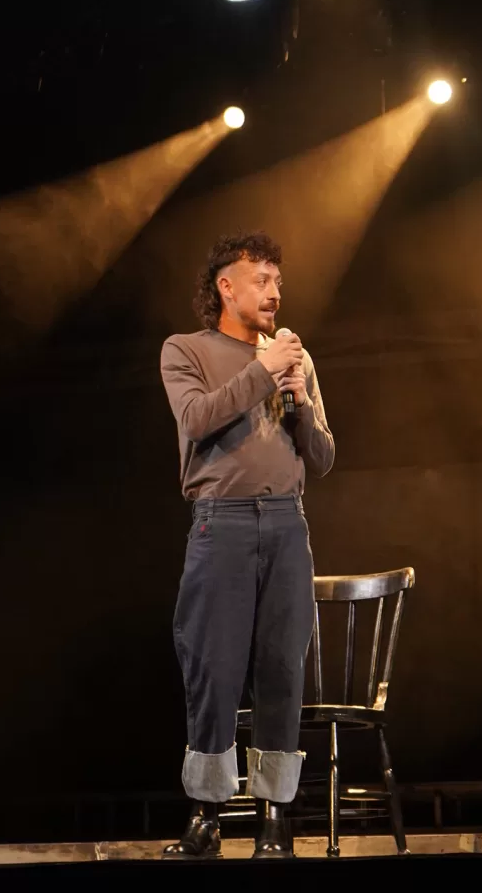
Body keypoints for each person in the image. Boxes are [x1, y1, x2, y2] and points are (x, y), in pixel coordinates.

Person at [159, 231, 334, 861]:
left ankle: (275, 822)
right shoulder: (186, 350)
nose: (274, 292)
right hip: (222, 522)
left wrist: (300, 399)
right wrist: (263, 372)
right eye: (261, 280)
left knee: (282, 669)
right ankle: (206, 817)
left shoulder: (294, 358)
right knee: (214, 666)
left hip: (287, 523)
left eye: (278, 281)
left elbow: (322, 458)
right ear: (226, 286)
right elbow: (196, 419)